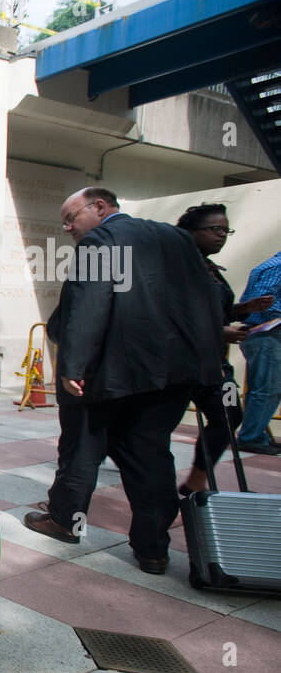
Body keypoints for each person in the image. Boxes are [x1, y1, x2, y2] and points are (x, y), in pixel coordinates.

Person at [23, 187, 221, 574]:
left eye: (70, 217)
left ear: (99, 207)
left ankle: (65, 521)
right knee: (150, 456)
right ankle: (152, 549)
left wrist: (73, 366)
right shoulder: (178, 239)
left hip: (109, 374)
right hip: (170, 376)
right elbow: (206, 300)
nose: (67, 228)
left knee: (82, 448)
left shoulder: (103, 239)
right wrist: (208, 367)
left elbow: (89, 302)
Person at [175, 204, 275, 489]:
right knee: (155, 425)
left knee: (230, 415)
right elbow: (173, 316)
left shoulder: (210, 268)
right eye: (215, 229)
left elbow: (216, 311)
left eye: (226, 230)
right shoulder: (180, 267)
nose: (222, 236)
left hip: (214, 364)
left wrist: (245, 309)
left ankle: (196, 482)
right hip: (183, 362)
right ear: (192, 232)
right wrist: (219, 332)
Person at [235, 248, 281, 455]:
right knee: (265, 388)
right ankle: (251, 436)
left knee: (267, 388)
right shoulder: (277, 267)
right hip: (267, 333)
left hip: (265, 335)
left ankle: (256, 434)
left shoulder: (272, 265)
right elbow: (263, 302)